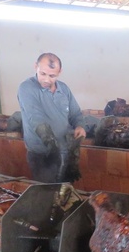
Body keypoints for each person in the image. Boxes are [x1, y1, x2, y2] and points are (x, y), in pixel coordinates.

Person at [17, 52, 86, 183]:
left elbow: (75, 114)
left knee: (66, 191)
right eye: (43, 73)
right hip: (42, 155)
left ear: (60, 72)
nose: (46, 80)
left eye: (52, 76)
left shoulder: (64, 89)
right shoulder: (26, 88)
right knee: (48, 192)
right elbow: (35, 117)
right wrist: (51, 144)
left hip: (67, 151)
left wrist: (80, 126)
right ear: (36, 66)